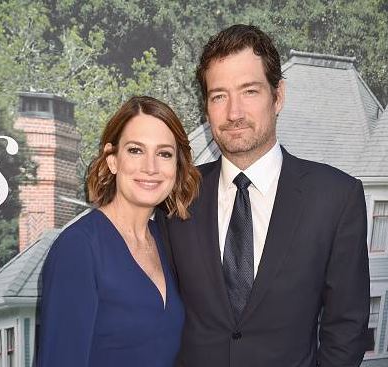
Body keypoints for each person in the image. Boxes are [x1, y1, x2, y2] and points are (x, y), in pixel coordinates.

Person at [157, 24, 370, 367]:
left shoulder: (335, 198)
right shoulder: (177, 194)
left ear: (278, 96)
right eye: (219, 96)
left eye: (249, 91)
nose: (234, 113)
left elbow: (347, 327)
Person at [37, 96, 200, 367]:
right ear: (112, 160)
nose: (151, 167)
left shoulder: (167, 240)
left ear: (177, 166)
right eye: (136, 150)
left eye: (164, 154)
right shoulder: (79, 248)